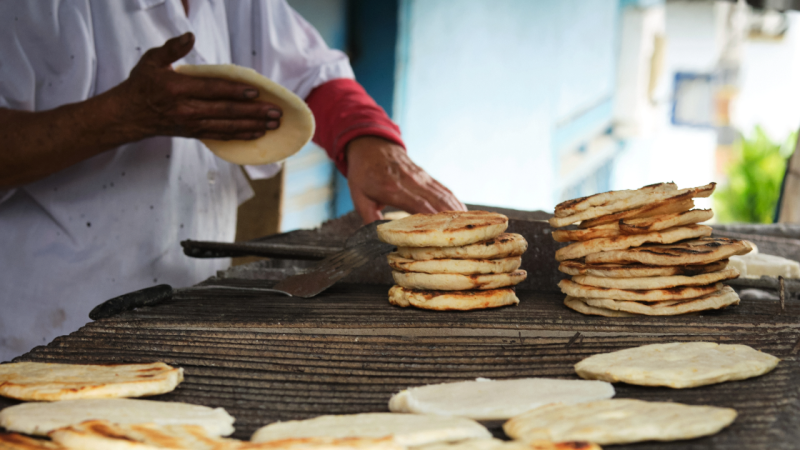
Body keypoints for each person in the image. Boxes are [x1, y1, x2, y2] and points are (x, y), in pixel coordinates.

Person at [0, 0, 465, 362]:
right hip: (42, 328)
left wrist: (367, 141)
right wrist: (121, 117)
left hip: (188, 311)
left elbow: (311, 72)